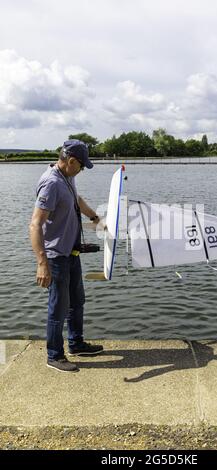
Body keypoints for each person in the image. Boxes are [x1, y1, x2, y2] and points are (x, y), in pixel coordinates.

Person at [29, 139, 105, 373]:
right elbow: (35, 224)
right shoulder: (51, 183)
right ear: (71, 161)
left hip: (71, 253)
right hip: (56, 257)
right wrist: (42, 263)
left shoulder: (67, 176)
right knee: (58, 307)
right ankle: (54, 355)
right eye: (82, 166)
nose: (82, 170)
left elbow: (76, 200)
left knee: (77, 301)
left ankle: (76, 343)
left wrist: (95, 218)